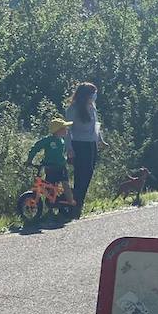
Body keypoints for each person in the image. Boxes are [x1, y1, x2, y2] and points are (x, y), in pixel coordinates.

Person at [66, 82, 105, 219]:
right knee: (80, 176)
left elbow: (96, 125)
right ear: (85, 95)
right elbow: (67, 131)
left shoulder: (92, 107)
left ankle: (79, 204)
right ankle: (73, 206)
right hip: (79, 145)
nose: (95, 96)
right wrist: (69, 148)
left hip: (91, 144)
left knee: (88, 174)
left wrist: (100, 140)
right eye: (93, 93)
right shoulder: (74, 109)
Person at [26, 118, 77, 211]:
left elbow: (63, 154)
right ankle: (51, 206)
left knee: (65, 183)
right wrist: (30, 159)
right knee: (50, 187)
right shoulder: (48, 140)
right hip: (50, 167)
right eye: (64, 128)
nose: (67, 130)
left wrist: (69, 158)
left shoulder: (62, 140)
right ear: (58, 130)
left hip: (61, 167)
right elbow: (36, 147)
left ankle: (72, 203)